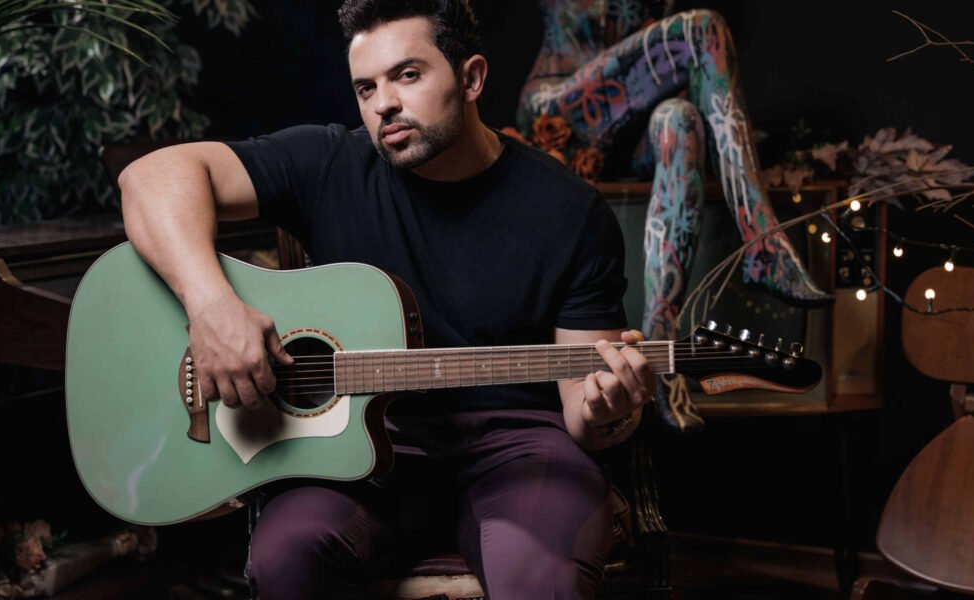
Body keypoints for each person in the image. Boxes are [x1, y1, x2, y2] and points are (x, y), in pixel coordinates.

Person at [118, 1, 653, 598]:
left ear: (472, 78)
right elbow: (149, 178)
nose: (383, 104)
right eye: (365, 88)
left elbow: (585, 409)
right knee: (286, 558)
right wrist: (212, 307)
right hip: (363, 447)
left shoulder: (570, 211)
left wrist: (607, 409)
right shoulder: (328, 163)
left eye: (408, 75)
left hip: (520, 449)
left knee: (542, 581)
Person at [516, 1, 833, 345]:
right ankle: (764, 242)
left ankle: (660, 345)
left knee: (679, 120)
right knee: (703, 26)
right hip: (558, 110)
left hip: (629, 132)